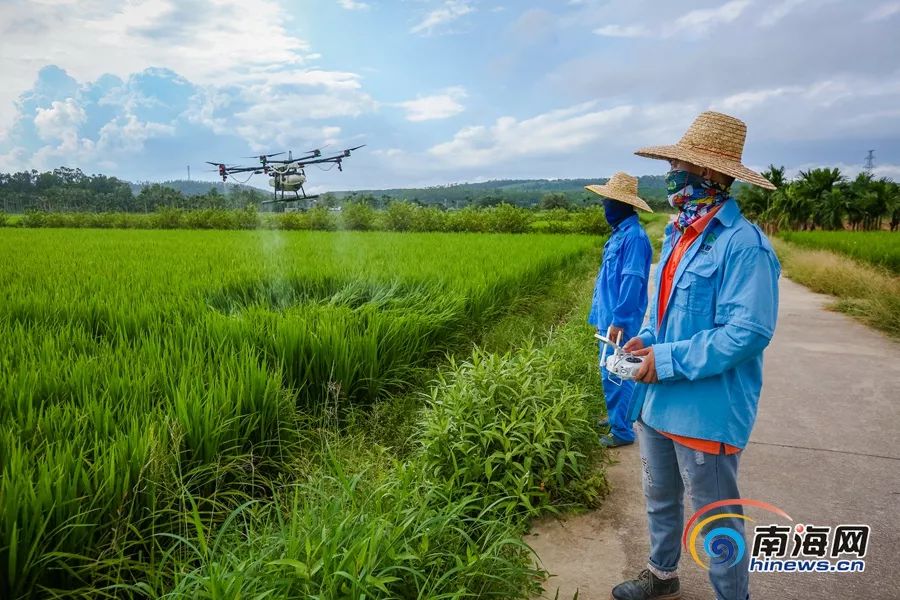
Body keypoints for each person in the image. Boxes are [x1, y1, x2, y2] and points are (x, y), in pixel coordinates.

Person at [611, 112, 780, 600]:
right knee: (660, 497)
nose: (669, 173)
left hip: (706, 411)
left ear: (708, 174)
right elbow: (661, 310)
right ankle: (661, 574)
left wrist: (664, 360)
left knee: (716, 519)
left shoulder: (744, 246)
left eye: (676, 164)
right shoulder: (679, 233)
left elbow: (746, 333)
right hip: (657, 402)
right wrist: (645, 340)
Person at [585, 172, 653, 448]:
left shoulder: (634, 238)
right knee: (612, 369)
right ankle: (619, 418)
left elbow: (632, 280)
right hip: (608, 317)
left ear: (623, 204)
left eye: (607, 202)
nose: (604, 207)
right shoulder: (620, 235)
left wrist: (620, 319)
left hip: (618, 320)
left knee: (617, 373)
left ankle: (622, 431)